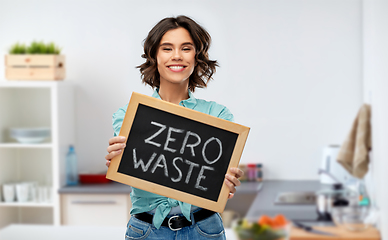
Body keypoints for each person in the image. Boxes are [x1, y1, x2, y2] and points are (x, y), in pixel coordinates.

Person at [105, 15, 244, 240]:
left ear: (197, 57)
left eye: (186, 48)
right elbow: (136, 169)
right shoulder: (127, 115)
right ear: (155, 56)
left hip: (204, 229)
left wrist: (225, 183)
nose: (177, 56)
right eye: (167, 48)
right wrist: (118, 159)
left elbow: (217, 180)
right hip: (147, 231)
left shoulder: (218, 115)